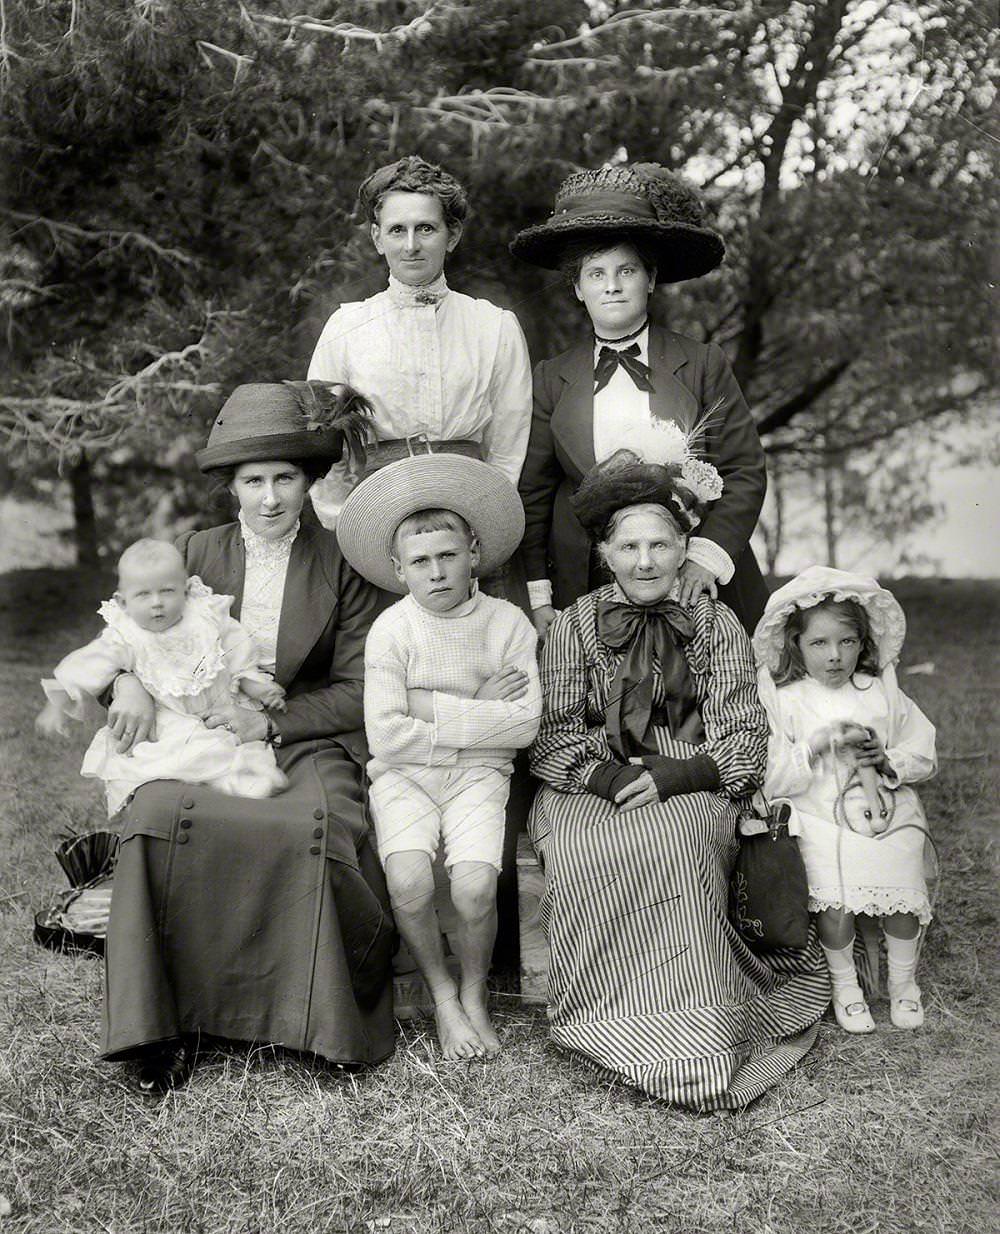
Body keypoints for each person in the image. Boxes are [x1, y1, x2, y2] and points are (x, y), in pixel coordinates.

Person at [97, 381, 397, 1093]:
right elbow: (126, 632)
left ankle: (317, 1020)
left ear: (309, 480)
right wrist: (130, 682)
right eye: (253, 480)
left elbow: (358, 688)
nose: (269, 498)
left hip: (304, 739)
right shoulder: (196, 550)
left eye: (285, 478)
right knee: (159, 819)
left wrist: (272, 720)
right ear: (231, 485)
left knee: (314, 826)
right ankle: (161, 1023)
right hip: (198, 733)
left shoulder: (344, 561)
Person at [528, 441, 829, 1110]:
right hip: (590, 775)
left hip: (694, 774)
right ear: (605, 552)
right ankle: (607, 1021)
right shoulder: (575, 625)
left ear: (682, 546)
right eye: (628, 547)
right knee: (584, 845)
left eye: (659, 546)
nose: (644, 561)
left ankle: (698, 1033)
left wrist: (680, 773)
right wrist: (606, 780)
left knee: (673, 842)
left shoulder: (715, 622)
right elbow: (550, 735)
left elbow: (745, 737)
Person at [336, 454, 542, 1060]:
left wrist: (430, 706)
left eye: (449, 555)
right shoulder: (392, 630)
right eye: (420, 562)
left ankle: (474, 994)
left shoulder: (507, 625)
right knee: (407, 879)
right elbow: (385, 738)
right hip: (404, 778)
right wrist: (476, 705)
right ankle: (442, 992)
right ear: (399, 570)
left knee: (476, 886)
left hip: (481, 775)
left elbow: (524, 725)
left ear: (473, 553)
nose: (437, 572)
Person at [510, 162, 769, 640]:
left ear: (649, 279)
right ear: (577, 288)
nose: (612, 285)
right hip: (587, 577)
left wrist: (706, 559)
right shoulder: (551, 378)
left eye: (626, 270)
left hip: (691, 573)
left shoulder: (700, 363)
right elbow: (534, 493)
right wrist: (540, 594)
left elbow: (745, 471)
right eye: (596, 273)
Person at [753, 566, 937, 1033]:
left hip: (885, 814)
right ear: (796, 644)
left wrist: (889, 757)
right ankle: (846, 988)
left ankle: (902, 983)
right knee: (835, 904)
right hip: (820, 815)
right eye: (819, 644)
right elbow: (772, 777)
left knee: (900, 894)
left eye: (847, 642)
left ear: (863, 643)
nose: (834, 657)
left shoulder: (881, 693)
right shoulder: (788, 699)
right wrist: (812, 747)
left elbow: (923, 751)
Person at [307, 154, 533, 523]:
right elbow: (323, 441)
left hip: (468, 506)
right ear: (377, 238)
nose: (411, 245)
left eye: (426, 228)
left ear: (452, 235)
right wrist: (342, 521)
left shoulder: (494, 326)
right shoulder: (346, 325)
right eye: (397, 230)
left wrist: (487, 515)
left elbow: (507, 443)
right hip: (376, 509)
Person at [36, 540, 287, 815]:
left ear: (187, 590)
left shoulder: (205, 616)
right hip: (169, 718)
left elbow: (236, 648)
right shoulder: (126, 635)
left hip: (219, 710)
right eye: (143, 595)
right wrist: (57, 704)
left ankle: (242, 779)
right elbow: (86, 665)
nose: (157, 603)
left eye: (167, 591)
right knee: (182, 752)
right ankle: (205, 788)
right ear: (123, 601)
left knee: (237, 746)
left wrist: (255, 685)